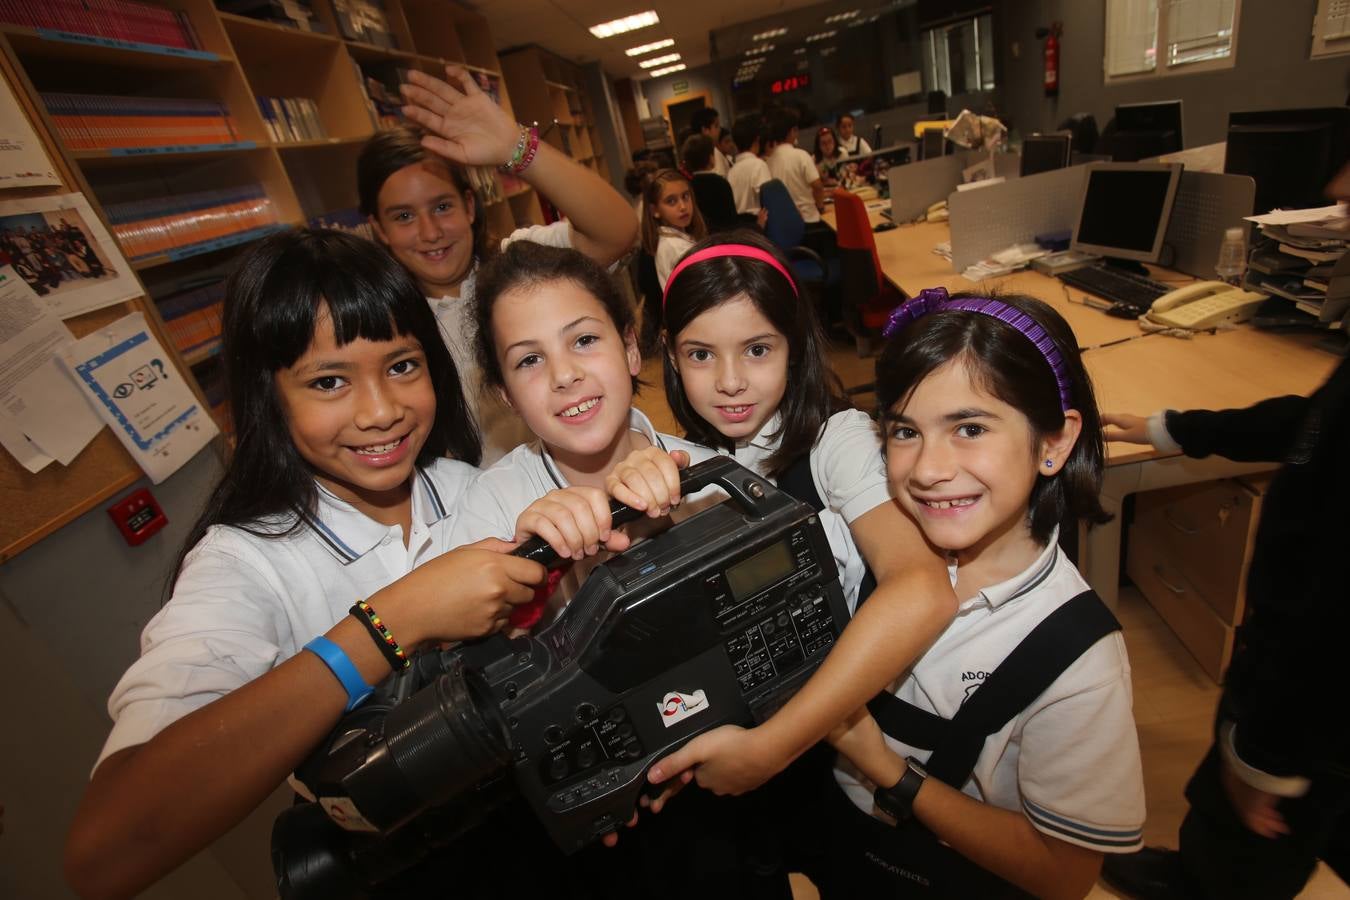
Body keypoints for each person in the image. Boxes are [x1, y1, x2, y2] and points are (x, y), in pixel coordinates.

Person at [62, 230, 547, 899]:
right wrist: (391, 623)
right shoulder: (245, 565)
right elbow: (105, 850)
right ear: (270, 395)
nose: (381, 412)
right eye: (328, 381)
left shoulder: (465, 484)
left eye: (402, 366)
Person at [814, 288, 1145, 897]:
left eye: (969, 427)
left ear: (1054, 443)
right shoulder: (872, 544)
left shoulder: (1080, 659)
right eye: (904, 430)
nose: (927, 469)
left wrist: (887, 769)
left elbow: (1063, 874)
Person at [1098, 362, 1350, 899]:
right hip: (1303, 673)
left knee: (1255, 833)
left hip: (1311, 689)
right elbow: (1315, 424)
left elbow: (1326, 620)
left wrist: (1264, 763)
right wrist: (1177, 429)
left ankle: (1205, 884)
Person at [360, 66, 636, 461]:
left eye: (442, 207)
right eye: (403, 217)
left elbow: (617, 229)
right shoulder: (380, 322)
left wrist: (516, 147)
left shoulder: (519, 267)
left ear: (470, 205)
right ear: (379, 229)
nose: (430, 231)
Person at [640, 168, 707, 291]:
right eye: (671, 201)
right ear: (655, 210)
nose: (682, 206)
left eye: (685, 196)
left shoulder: (671, 241)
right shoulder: (677, 248)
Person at [681, 133, 739, 233]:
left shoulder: (688, 186)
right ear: (711, 158)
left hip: (702, 239)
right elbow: (732, 220)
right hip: (725, 237)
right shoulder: (721, 183)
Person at [727, 115, 772, 218]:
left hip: (740, 226)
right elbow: (769, 200)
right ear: (757, 140)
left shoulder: (731, 171)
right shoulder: (758, 165)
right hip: (758, 223)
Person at [690, 106, 727, 176]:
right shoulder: (707, 154)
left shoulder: (714, 150)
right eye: (716, 126)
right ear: (705, 130)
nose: (720, 129)